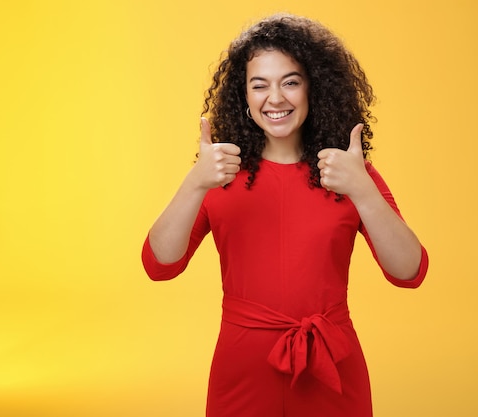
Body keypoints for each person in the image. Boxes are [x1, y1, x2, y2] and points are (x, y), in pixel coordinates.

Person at [141, 13, 429, 417]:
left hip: (331, 368)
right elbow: (159, 265)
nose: (275, 98)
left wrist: (363, 190)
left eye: (290, 82)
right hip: (241, 372)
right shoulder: (218, 172)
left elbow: (409, 271)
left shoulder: (349, 171)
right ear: (243, 97)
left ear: (314, 88)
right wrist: (194, 183)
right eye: (260, 85)